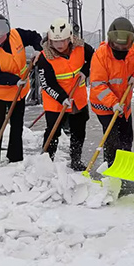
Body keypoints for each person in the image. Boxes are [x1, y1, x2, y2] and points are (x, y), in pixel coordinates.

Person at [0, 13, 42, 168]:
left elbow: (35, 36)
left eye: (1, 31)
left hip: (19, 91)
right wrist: (14, 80)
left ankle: (15, 156)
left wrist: (38, 49)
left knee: (17, 123)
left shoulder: (16, 35)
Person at [90, 17, 134, 165]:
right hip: (103, 105)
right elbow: (98, 84)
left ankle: (125, 165)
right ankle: (111, 167)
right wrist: (113, 103)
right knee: (112, 138)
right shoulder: (100, 55)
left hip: (125, 104)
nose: (121, 50)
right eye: (117, 47)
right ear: (111, 41)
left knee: (126, 137)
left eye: (124, 48)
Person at [36, 17, 94, 170]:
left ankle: (76, 160)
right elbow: (47, 83)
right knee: (53, 132)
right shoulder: (44, 57)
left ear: (69, 38)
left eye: (63, 41)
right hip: (55, 101)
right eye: (56, 42)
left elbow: (93, 59)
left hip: (78, 98)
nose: (60, 45)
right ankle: (47, 162)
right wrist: (62, 98)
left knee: (78, 131)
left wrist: (85, 71)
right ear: (50, 40)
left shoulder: (81, 47)